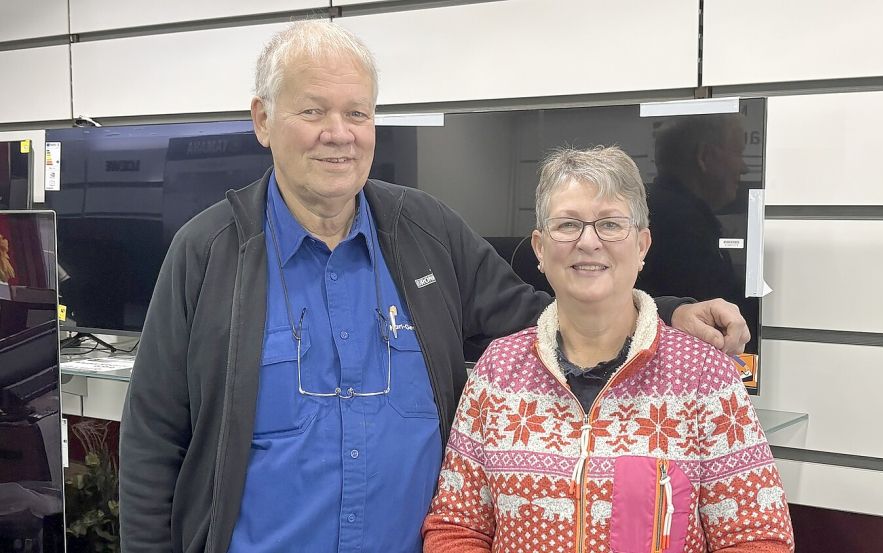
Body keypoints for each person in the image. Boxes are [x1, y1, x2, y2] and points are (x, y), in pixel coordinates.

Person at [118, 21, 752, 553]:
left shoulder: (425, 230)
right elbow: (151, 437)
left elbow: (538, 318)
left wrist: (668, 314)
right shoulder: (207, 253)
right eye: (312, 111)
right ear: (263, 119)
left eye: (357, 113)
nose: (339, 133)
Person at [422, 146, 793, 552]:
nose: (588, 242)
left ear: (642, 246)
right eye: (567, 224)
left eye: (611, 224)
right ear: (540, 249)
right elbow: (457, 527)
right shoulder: (497, 372)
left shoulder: (704, 378)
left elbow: (758, 538)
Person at [637, 113, 748, 304]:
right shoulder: (681, 225)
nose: (745, 168)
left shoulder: (656, 208)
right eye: (738, 153)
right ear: (705, 157)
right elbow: (714, 306)